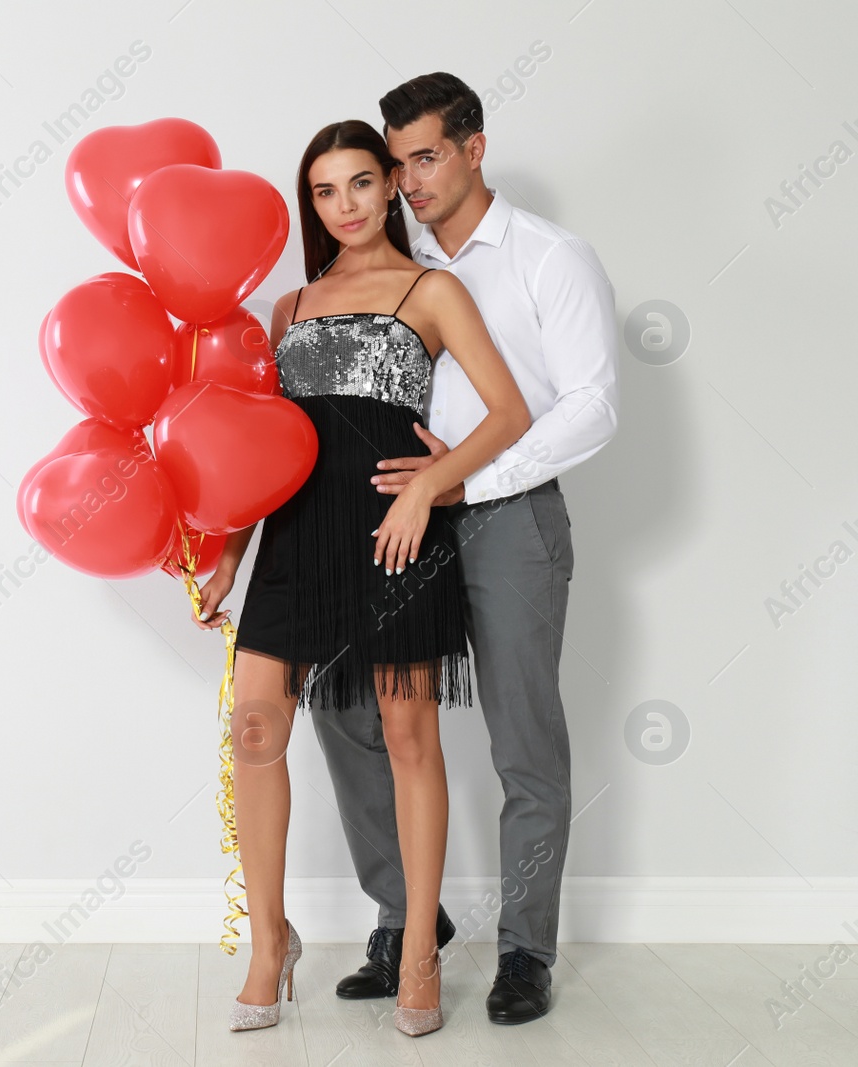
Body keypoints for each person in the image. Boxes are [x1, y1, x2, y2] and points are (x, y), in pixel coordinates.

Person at [193, 118, 531, 1038]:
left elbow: (509, 411)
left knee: (408, 734)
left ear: (389, 187)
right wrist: (228, 552)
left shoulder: (432, 287)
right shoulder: (289, 307)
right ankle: (271, 943)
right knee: (255, 724)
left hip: (393, 537)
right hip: (296, 536)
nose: (343, 205)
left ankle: (418, 949)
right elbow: (268, 448)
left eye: (359, 184)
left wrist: (432, 482)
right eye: (323, 191)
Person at [314, 72, 619, 1025]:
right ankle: (408, 915)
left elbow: (595, 405)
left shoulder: (547, 257)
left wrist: (459, 482)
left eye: (426, 156)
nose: (407, 180)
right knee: (349, 709)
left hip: (505, 513)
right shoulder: (390, 258)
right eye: (395, 163)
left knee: (523, 737)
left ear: (475, 147)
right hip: (385, 519)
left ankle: (525, 948)